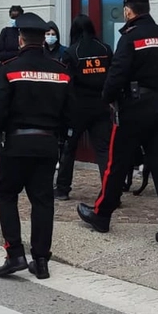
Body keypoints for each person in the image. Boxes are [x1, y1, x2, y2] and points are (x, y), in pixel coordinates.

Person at [77, 0, 158, 249]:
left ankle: (102, 216)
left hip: (133, 110)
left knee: (116, 165)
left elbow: (117, 75)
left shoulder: (129, 37)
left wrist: (106, 99)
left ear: (128, 11)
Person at [0, 12, 69, 280]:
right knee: (43, 201)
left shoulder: (10, 69)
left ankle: (15, 254)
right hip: (47, 144)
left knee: (6, 194)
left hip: (15, 143)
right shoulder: (61, 71)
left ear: (20, 39)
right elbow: (71, 111)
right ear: (45, 39)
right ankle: (41, 260)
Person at [55, 14, 113, 201]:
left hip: (77, 109)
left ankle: (63, 189)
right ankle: (110, 191)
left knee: (69, 149)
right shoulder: (105, 49)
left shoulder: (72, 52)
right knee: (104, 151)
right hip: (101, 106)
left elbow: (66, 83)